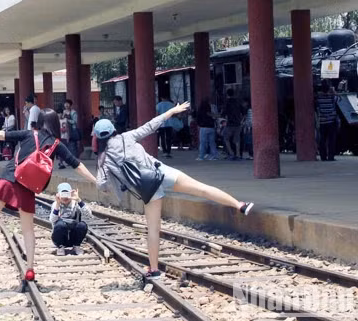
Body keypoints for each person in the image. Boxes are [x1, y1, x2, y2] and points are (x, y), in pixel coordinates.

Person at [93, 103, 254, 278]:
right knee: (202, 189)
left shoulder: (103, 159)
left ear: (97, 138)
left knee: (153, 229)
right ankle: (240, 205)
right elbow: (151, 126)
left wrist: (110, 188)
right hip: (160, 172)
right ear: (113, 130)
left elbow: (102, 185)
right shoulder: (126, 137)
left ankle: (154, 270)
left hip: (148, 190)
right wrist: (171, 111)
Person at [0, 108, 98, 281]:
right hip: (27, 187)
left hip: (8, 178)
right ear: (55, 123)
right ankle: (30, 269)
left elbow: (3, 135)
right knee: (28, 229)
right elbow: (76, 165)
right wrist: (95, 180)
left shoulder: (28, 134)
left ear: (39, 122)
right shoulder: (57, 144)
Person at [50, 183, 93, 256]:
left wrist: (79, 200)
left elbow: (89, 215)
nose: (65, 197)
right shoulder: (55, 204)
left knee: (82, 225)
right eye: (63, 194)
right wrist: (57, 204)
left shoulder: (75, 203)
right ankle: (60, 247)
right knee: (60, 225)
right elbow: (52, 220)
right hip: (60, 236)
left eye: (67, 194)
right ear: (58, 194)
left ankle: (76, 246)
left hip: (73, 235)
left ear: (71, 193)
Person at [316, 82, 339, 161]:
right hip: (331, 121)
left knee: (322, 140)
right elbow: (339, 100)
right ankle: (331, 157)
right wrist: (334, 91)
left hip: (322, 122)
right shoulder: (331, 96)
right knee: (331, 140)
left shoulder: (319, 97)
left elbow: (316, 106)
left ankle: (323, 157)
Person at [222, 89, 243, 160]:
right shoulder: (238, 102)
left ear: (227, 95)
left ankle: (231, 153)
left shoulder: (227, 102)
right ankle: (238, 154)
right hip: (238, 123)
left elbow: (223, 113)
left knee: (226, 138)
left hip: (230, 123)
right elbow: (243, 111)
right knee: (237, 139)